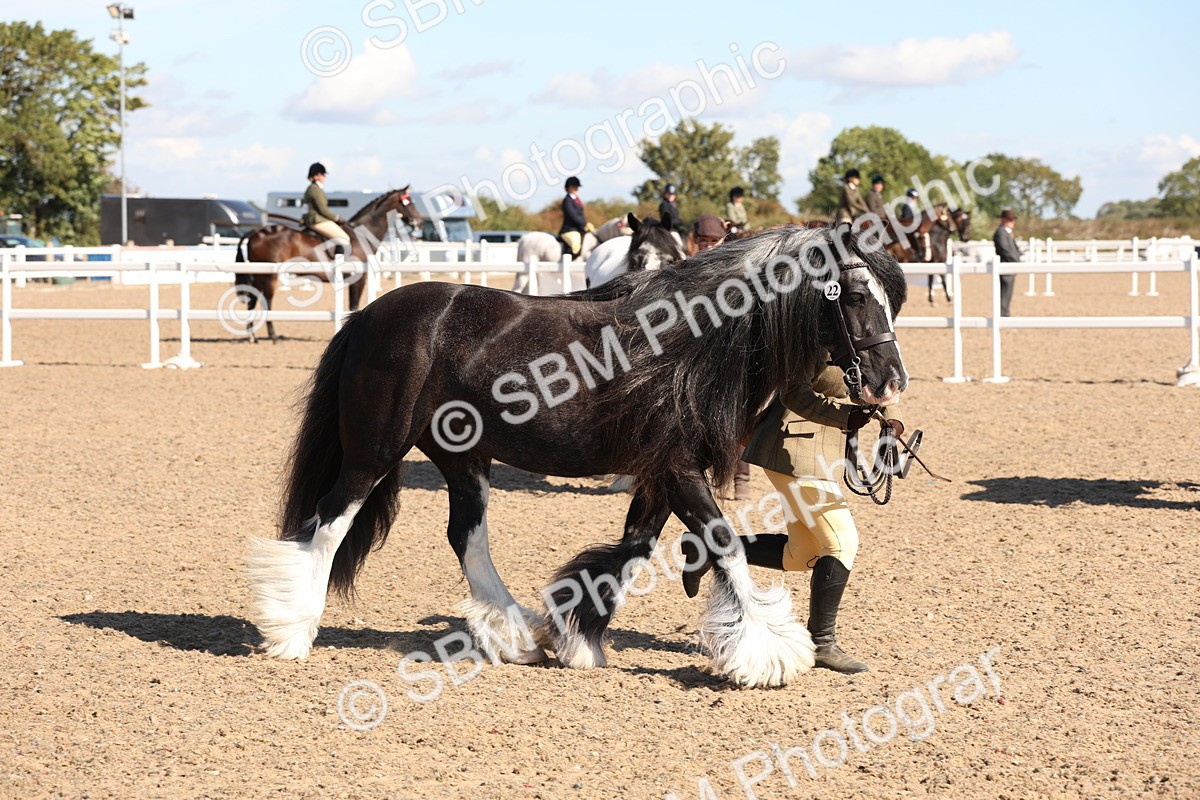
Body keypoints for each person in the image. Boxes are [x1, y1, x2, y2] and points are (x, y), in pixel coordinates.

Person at [683, 364, 903, 673]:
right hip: (793, 448)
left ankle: (710, 548)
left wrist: (893, 420)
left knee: (803, 554)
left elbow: (882, 374)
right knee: (842, 543)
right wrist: (847, 417)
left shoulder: (862, 341)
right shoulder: (814, 343)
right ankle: (822, 644)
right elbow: (795, 394)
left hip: (822, 453)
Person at [302, 162, 350, 257]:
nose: (325, 177)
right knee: (344, 238)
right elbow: (323, 210)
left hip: (314, 218)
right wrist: (337, 218)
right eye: (323, 175)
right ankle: (338, 263)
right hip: (315, 220)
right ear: (316, 176)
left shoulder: (314, 188)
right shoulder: (315, 189)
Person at [993, 209, 1023, 317]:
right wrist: (1015, 260)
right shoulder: (1001, 233)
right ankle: (1002, 314)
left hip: (1010, 266)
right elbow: (1004, 250)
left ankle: (1005, 313)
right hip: (1006, 266)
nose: (1012, 222)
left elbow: (1013, 248)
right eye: (1010, 219)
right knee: (1004, 293)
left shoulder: (1007, 233)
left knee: (1007, 293)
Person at [559, 176, 590, 259]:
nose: (576, 189)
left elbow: (581, 214)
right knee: (576, 244)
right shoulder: (567, 201)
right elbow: (573, 216)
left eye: (577, 187)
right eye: (574, 187)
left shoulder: (577, 199)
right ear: (568, 188)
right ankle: (571, 262)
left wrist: (587, 224)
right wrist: (585, 224)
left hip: (579, 229)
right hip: (569, 230)